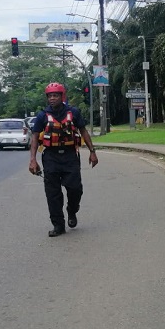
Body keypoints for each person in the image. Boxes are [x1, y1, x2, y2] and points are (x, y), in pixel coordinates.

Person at [28, 82, 98, 237]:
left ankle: (72, 211)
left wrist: (92, 152)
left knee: (75, 189)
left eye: (55, 95)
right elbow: (34, 137)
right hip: (51, 157)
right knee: (53, 194)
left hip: (70, 156)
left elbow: (83, 131)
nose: (52, 98)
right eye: (50, 96)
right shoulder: (42, 116)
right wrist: (33, 159)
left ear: (62, 96)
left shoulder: (73, 112)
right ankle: (58, 225)